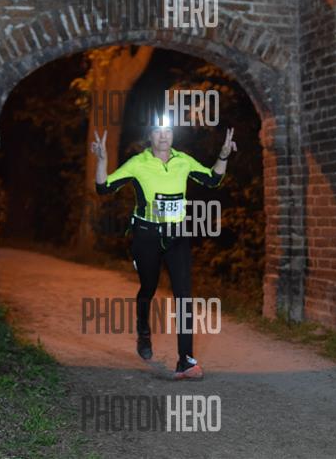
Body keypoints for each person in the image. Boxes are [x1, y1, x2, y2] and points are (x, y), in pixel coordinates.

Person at [91, 120, 237, 380]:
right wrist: (102, 161)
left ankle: (186, 361)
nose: (163, 136)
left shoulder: (183, 161)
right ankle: (143, 333)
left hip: (177, 236)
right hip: (146, 236)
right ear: (150, 136)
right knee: (148, 288)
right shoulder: (138, 163)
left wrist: (223, 156)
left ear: (173, 135)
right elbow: (104, 188)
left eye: (168, 131)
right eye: (158, 131)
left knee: (184, 295)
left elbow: (213, 180)